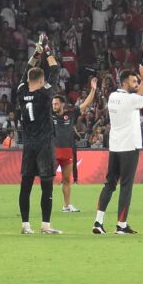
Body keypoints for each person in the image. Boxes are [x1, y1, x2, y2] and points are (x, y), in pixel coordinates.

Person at [92, 61, 143, 235]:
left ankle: (98, 222)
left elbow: (137, 98)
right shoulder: (131, 99)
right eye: (133, 81)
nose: (136, 84)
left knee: (109, 184)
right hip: (129, 147)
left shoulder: (113, 96)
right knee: (126, 186)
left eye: (137, 81)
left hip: (115, 147)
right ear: (124, 83)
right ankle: (121, 225)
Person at [17, 35, 63, 235]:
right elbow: (55, 69)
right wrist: (47, 50)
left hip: (28, 144)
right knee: (46, 185)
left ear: (28, 80)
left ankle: (25, 225)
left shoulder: (21, 91)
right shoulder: (45, 93)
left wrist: (37, 52)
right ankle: (45, 225)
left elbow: (26, 71)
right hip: (44, 144)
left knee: (26, 185)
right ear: (42, 81)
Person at [52, 77, 98, 213]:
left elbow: (86, 104)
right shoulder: (49, 115)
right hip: (53, 151)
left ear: (62, 104)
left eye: (56, 104)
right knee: (48, 180)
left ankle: (66, 206)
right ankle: (46, 205)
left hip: (67, 151)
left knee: (67, 180)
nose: (54, 106)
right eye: (53, 104)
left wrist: (93, 90)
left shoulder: (71, 114)